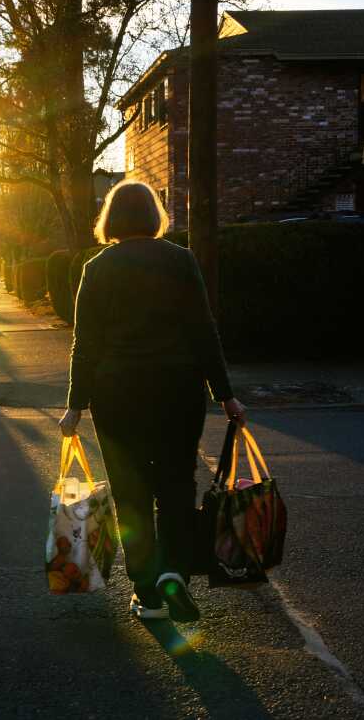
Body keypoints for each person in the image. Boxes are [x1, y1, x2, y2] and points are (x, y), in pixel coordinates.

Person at [59, 180, 246, 622]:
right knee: (178, 486)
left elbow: (84, 343)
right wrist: (227, 395)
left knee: (132, 494)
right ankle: (175, 574)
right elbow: (204, 331)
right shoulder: (180, 261)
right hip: (178, 391)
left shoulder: (97, 267)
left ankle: (147, 592)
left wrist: (75, 404)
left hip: (117, 395)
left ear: (111, 219)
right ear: (154, 215)